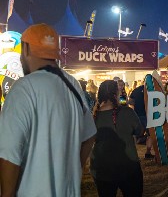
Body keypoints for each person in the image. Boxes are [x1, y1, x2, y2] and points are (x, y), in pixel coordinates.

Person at [0, 23, 96, 196]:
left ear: (26, 50)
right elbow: (89, 136)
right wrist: (74, 172)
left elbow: (8, 155)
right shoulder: (72, 85)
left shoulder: (24, 88)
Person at [91, 80, 144, 196]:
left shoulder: (93, 116)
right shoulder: (128, 112)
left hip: (101, 169)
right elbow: (140, 131)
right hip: (128, 167)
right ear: (117, 94)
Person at [128, 84, 154, 159]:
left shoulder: (135, 91)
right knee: (150, 134)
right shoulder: (151, 90)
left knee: (135, 135)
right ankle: (148, 152)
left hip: (137, 115)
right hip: (148, 116)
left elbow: (131, 104)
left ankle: (134, 154)